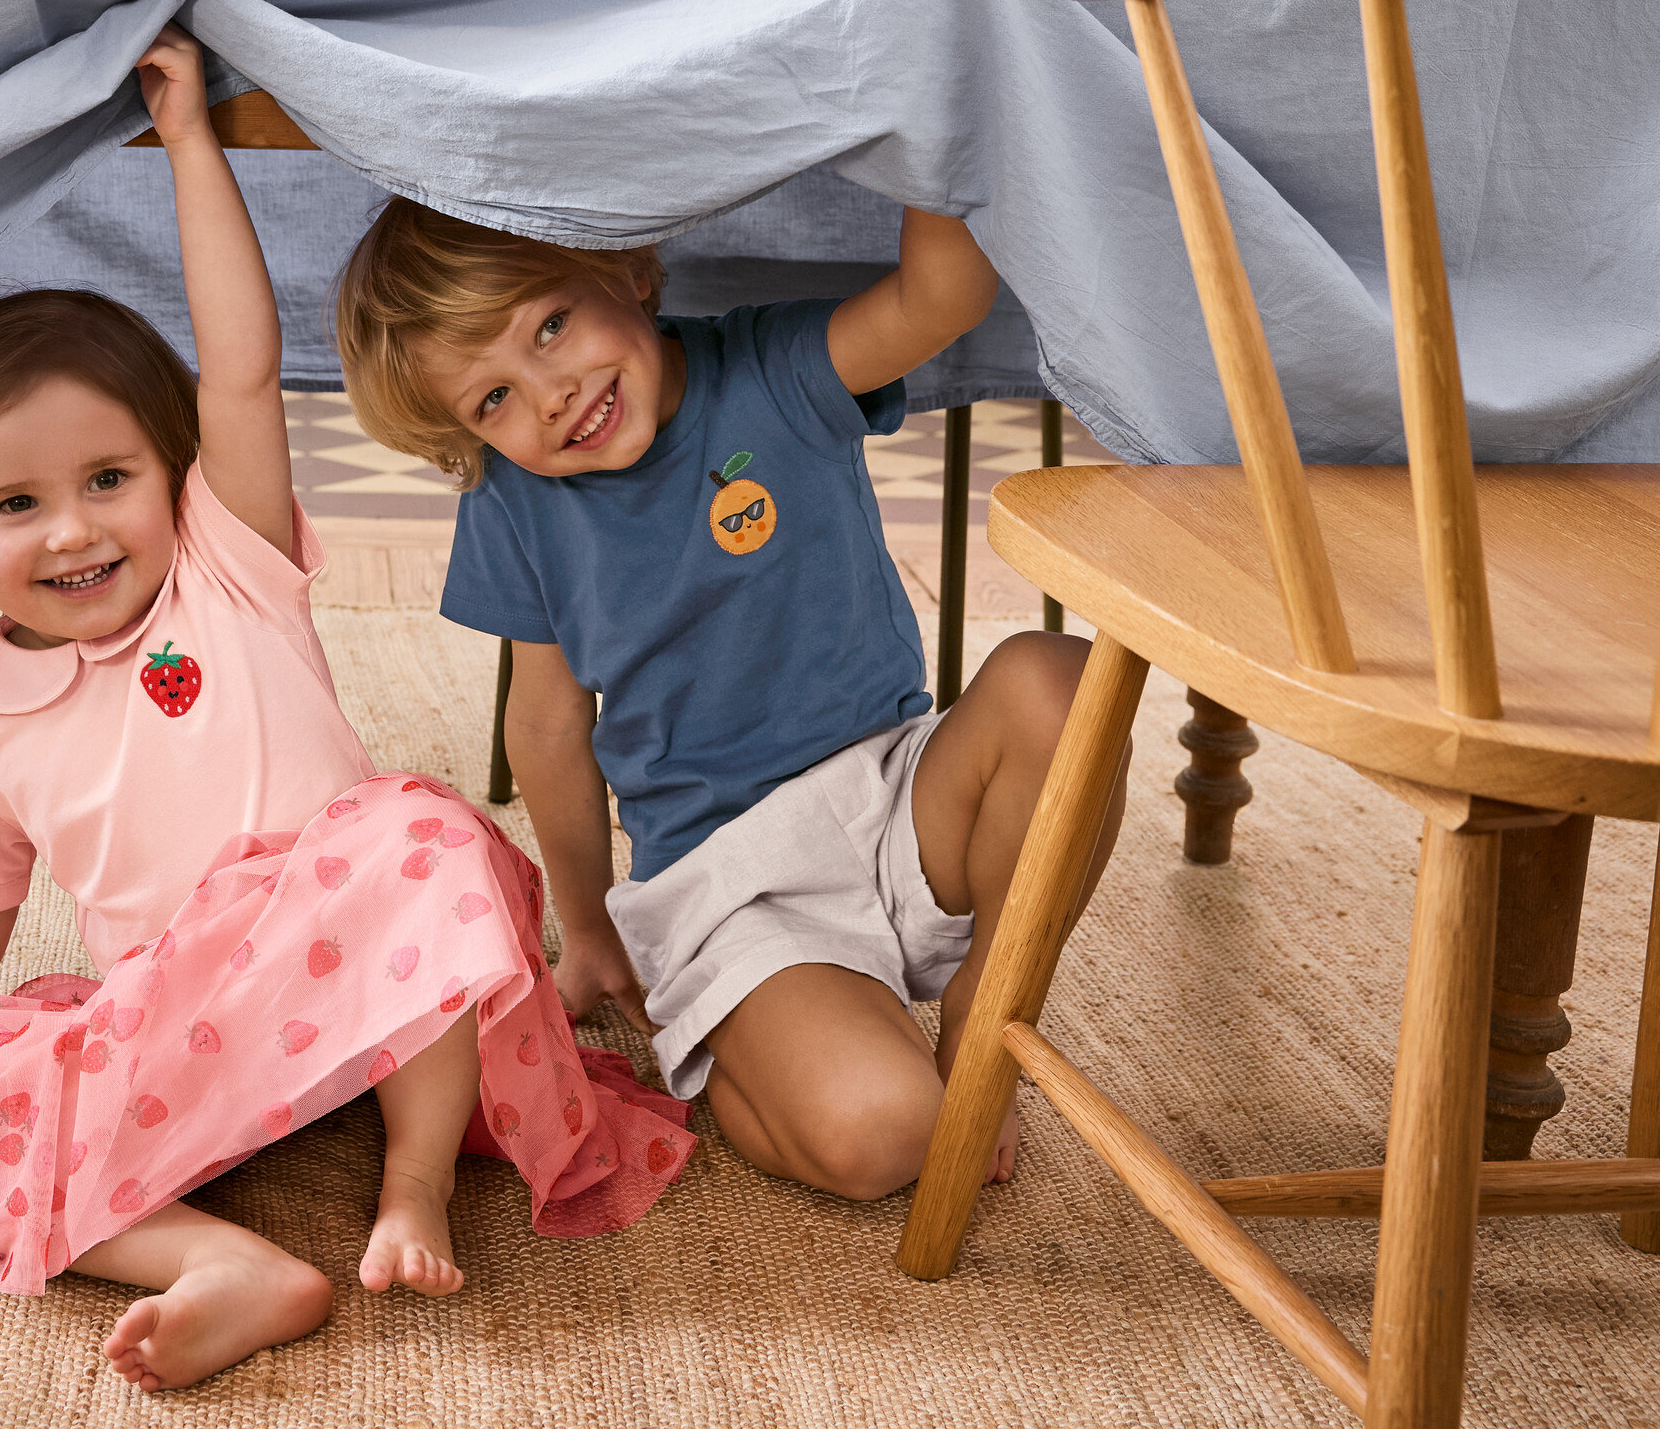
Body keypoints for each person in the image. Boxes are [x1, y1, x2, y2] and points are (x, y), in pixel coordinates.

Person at [0, 28, 691, 1393]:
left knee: (420, 825)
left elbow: (240, 363)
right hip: (184, 1021)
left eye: (109, 478)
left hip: (364, 979)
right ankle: (221, 1260)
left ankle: (410, 1182)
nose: (73, 530)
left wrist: (193, 142)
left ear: (172, 471)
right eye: (17, 506)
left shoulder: (223, 561)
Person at [330, 197, 1119, 1202]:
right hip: (732, 882)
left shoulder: (773, 367)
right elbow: (545, 722)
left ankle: (987, 1005)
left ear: (626, 271)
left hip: (899, 797)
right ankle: (733, 1049)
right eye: (491, 400)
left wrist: (934, 98)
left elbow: (944, 296)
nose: (552, 394)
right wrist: (593, 930)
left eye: (551, 326)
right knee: (891, 1138)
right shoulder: (515, 497)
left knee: (1062, 681)